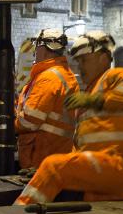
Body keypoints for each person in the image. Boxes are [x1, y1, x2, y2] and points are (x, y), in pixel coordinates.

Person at [15, 32, 123, 205]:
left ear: (103, 58)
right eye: (77, 61)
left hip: (117, 166)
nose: (79, 66)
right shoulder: (89, 93)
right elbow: (81, 146)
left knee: (53, 167)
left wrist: (97, 100)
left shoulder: (116, 76)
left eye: (85, 60)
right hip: (99, 173)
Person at [15, 28, 79, 171]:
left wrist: (11, 126)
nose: (34, 52)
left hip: (41, 155)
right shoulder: (64, 74)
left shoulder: (48, 78)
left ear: (43, 48)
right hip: (58, 151)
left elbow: (29, 121)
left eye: (36, 47)